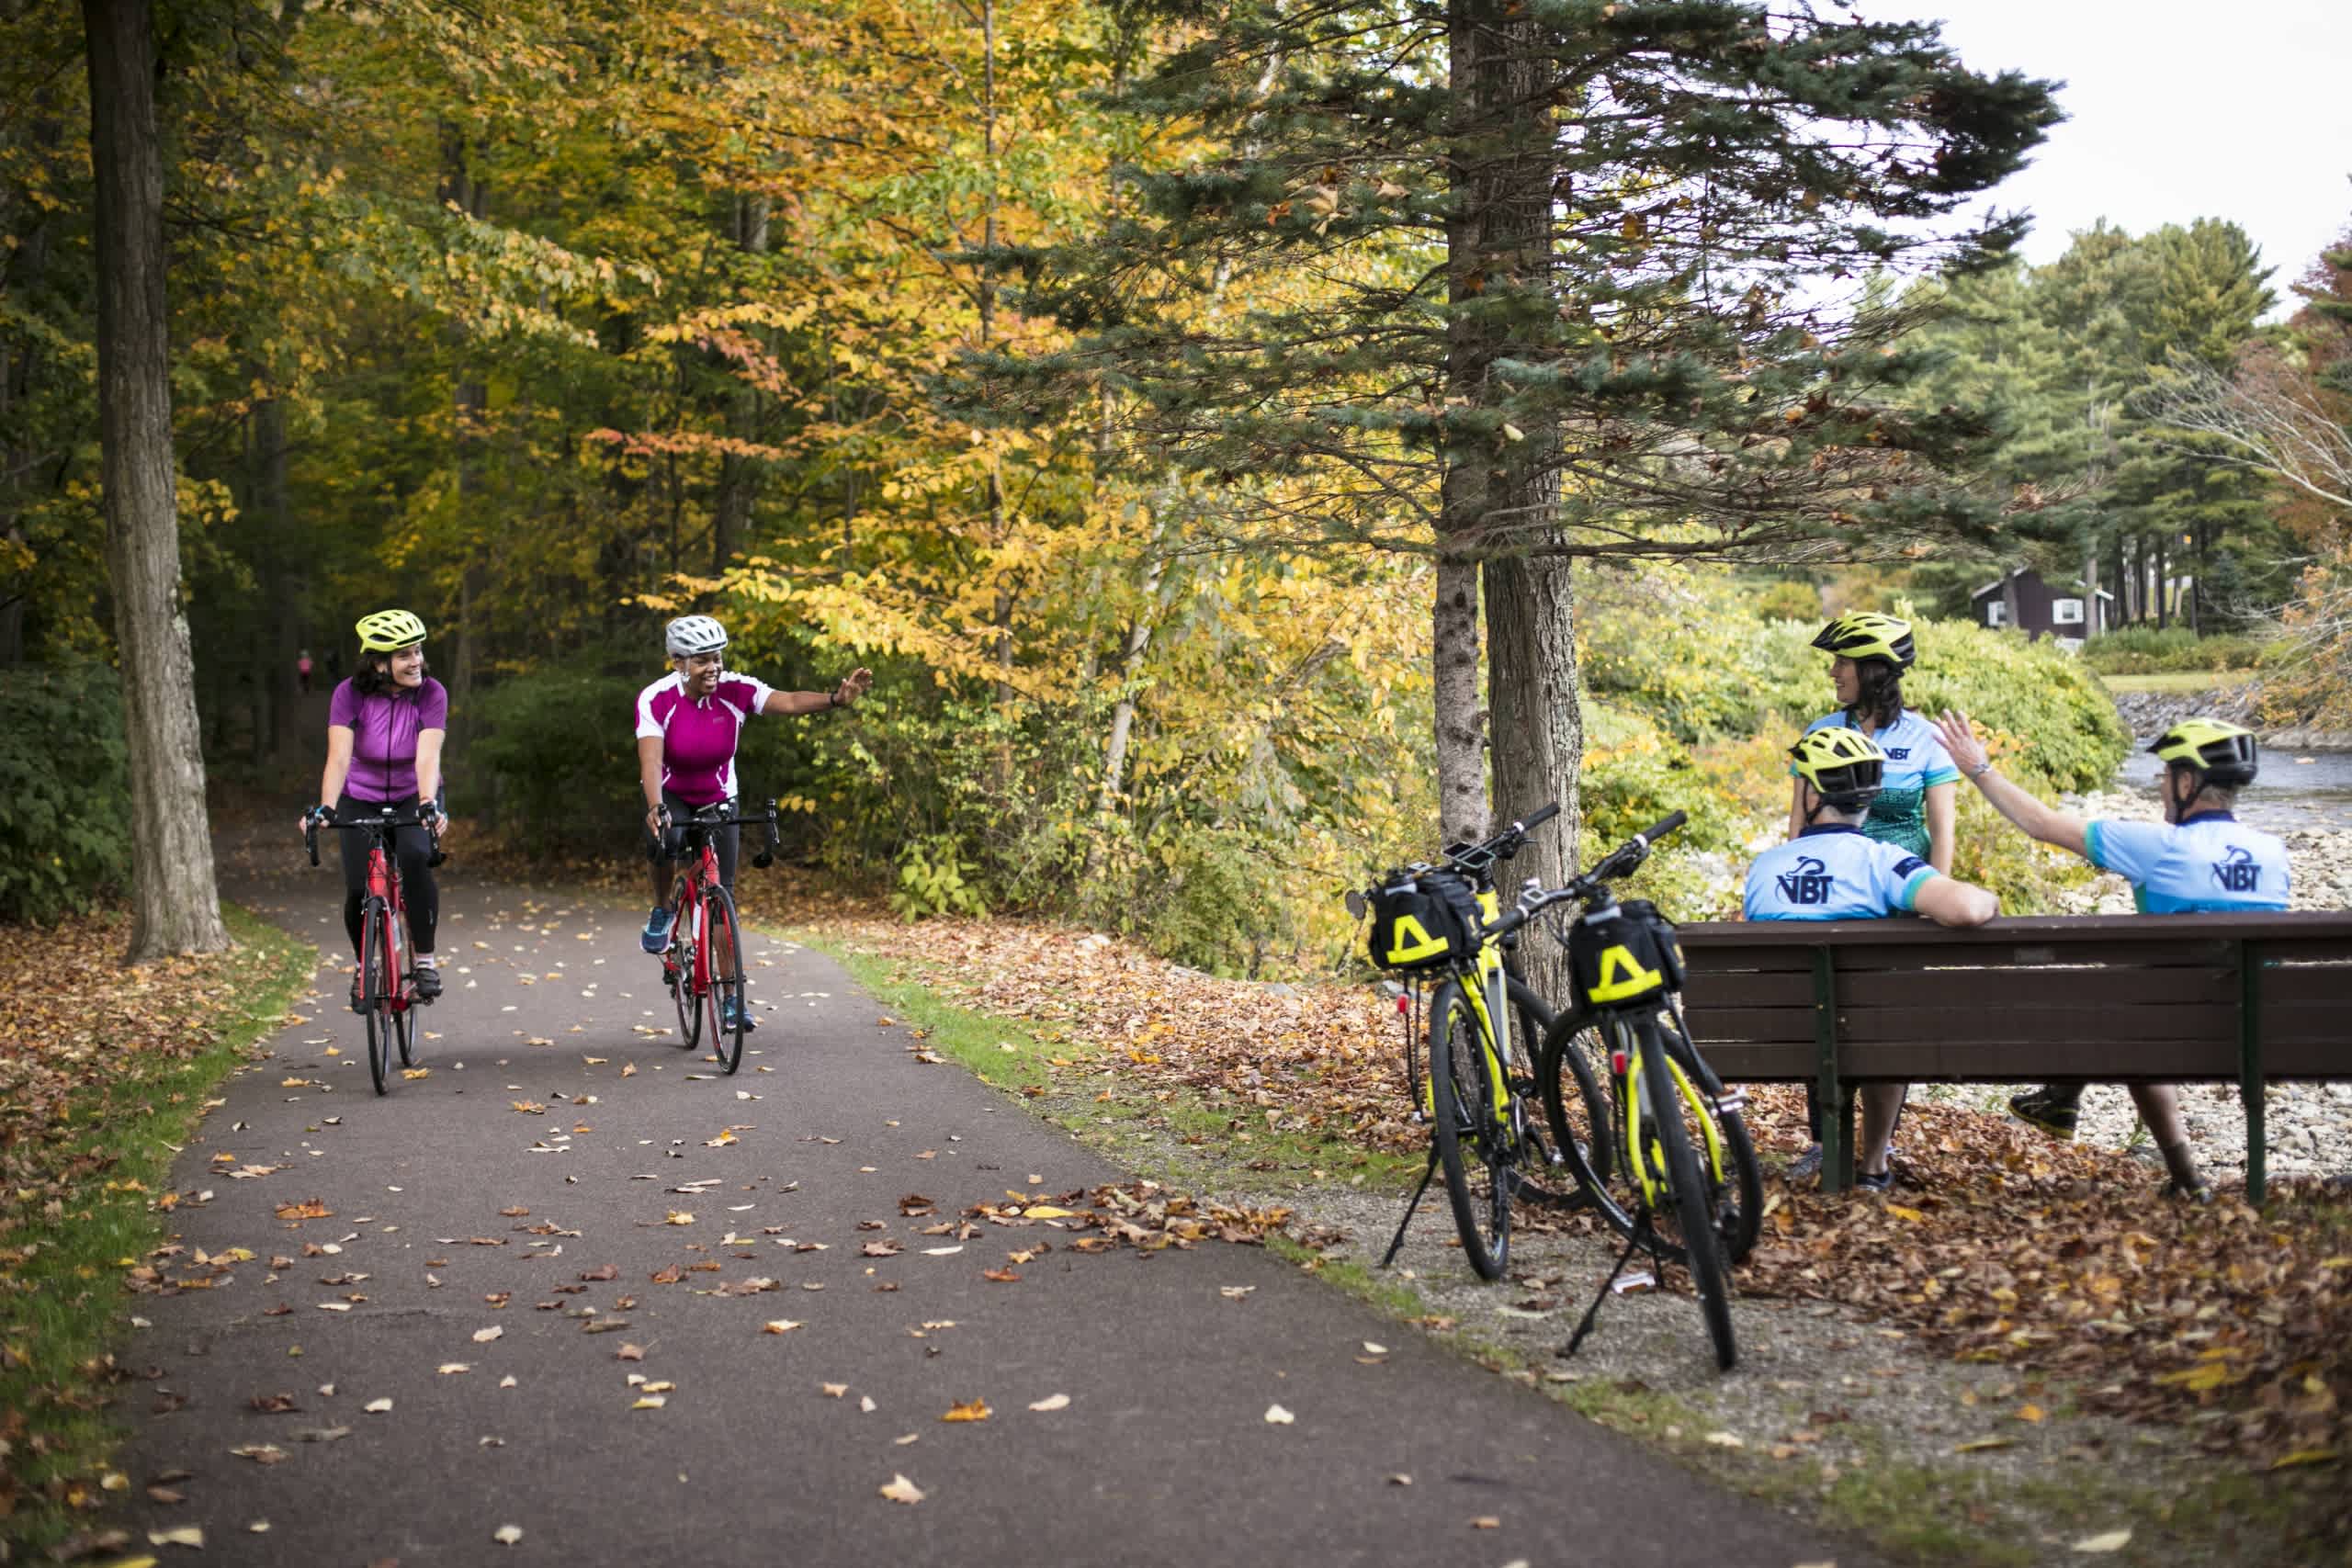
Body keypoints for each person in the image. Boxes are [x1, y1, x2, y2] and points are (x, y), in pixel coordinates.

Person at [1930, 712, 2289, 1200]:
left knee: (2127, 1010)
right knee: (2134, 1000)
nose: (2161, 787)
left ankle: (2179, 1173)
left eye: (2165, 777)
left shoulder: (2158, 846)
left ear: (2188, 781)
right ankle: (2070, 1102)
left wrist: (1978, 768)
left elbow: (2042, 825)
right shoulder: (2273, 853)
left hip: (2163, 1034)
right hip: (2262, 1031)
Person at [1747, 727, 1999, 1190]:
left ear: (1812, 795)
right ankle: (1872, 1165)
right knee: (1886, 1025)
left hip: (1783, 1035)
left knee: (1826, 1018)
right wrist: (1991, 899)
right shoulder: (1883, 862)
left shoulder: (1764, 868)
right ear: (1872, 796)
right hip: (1871, 1035)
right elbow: (1965, 909)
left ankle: (1829, 1148)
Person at [1784, 611, 1962, 1178]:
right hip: (1835, 897)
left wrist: (1931, 908)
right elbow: (1798, 826)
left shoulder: (1924, 737)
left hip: (1899, 900)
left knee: (1886, 1027)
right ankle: (1826, 1141)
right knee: (1823, 1015)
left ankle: (1876, 1149)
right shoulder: (1819, 731)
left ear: (1874, 670)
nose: (1834, 671)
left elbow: (1944, 833)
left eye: (1844, 661)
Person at [635, 615, 872, 1029]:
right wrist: (656, 805)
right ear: (678, 663)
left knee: (722, 891)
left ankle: (731, 997)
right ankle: (662, 910)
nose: (714, 667)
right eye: (702, 659)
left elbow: (790, 701)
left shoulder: (736, 690)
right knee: (664, 842)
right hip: (672, 790)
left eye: (717, 658)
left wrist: (835, 699)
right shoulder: (656, 698)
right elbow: (652, 759)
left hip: (719, 794)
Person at [304, 610, 447, 1009]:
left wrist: (426, 804)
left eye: (417, 651)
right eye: (405, 655)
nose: (416, 661)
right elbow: (338, 758)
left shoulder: (432, 692)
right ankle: (362, 964)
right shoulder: (348, 694)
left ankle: (424, 962)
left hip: (412, 792)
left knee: (416, 858)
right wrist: (327, 808)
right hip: (359, 794)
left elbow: (428, 757)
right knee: (356, 887)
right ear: (378, 662)